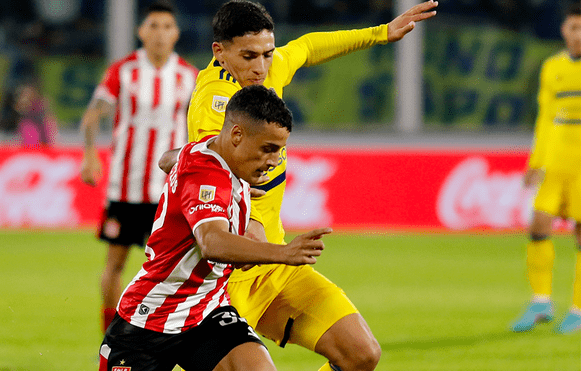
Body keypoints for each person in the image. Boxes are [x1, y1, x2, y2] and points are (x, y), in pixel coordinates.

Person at [160, 1, 438, 369]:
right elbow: (213, 165)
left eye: (267, 54)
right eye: (248, 56)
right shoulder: (216, 97)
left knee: (361, 354)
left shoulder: (267, 71)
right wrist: (250, 223)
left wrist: (381, 33)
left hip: (275, 264)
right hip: (227, 276)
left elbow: (306, 47)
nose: (260, 67)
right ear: (220, 51)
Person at [99, 84, 333, 371]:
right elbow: (212, 243)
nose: (273, 161)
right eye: (267, 149)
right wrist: (282, 253)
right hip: (150, 321)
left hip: (206, 311)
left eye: (279, 150)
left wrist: (231, 194)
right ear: (236, 135)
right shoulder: (205, 175)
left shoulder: (217, 151)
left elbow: (166, 159)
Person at [78, 1, 198, 332]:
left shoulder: (190, 77)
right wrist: (90, 155)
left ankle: (157, 328)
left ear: (176, 33)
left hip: (168, 191)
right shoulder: (124, 71)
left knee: (167, 266)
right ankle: (111, 331)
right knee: (115, 262)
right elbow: (93, 115)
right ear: (141, 31)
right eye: (154, 26)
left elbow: (202, 127)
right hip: (125, 185)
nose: (160, 34)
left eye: (167, 27)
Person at [511, 3, 581, 335]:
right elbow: (545, 117)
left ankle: (579, 309)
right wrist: (535, 161)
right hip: (557, 157)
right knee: (538, 225)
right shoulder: (553, 66)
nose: (577, 35)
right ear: (563, 30)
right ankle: (541, 302)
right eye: (572, 28)